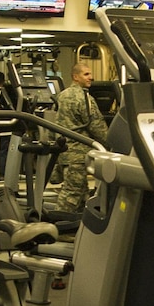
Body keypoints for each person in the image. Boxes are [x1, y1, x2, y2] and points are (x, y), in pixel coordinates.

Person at [48, 62, 104, 214]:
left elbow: (53, 122)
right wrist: (110, 143)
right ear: (75, 77)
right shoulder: (84, 98)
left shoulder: (61, 96)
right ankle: (60, 223)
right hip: (78, 153)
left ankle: (74, 226)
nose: (91, 77)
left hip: (64, 151)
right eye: (86, 74)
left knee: (81, 191)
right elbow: (96, 125)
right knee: (72, 193)